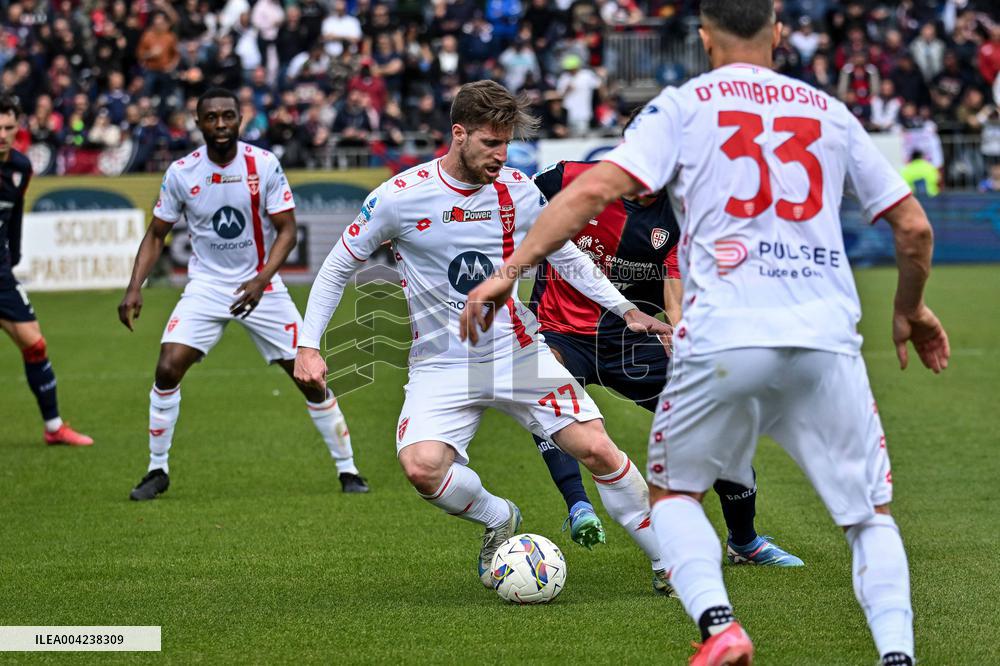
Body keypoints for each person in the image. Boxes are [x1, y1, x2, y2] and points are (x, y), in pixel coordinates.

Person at [460, 2, 950, 664]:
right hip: (824, 337)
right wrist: (911, 309)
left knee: (672, 494)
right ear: (778, 33)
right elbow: (914, 228)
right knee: (869, 517)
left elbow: (589, 191)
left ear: (703, 38)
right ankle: (897, 656)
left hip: (724, 336)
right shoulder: (828, 111)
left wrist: (506, 273)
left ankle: (721, 625)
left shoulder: (684, 106)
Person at [295, 80, 674, 593]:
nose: (502, 154)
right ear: (459, 134)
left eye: (508, 142)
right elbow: (339, 265)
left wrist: (627, 309)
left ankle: (668, 565)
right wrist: (309, 344)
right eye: (491, 143)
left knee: (598, 448)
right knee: (422, 469)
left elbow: (565, 255)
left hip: (519, 352)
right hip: (441, 364)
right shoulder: (400, 197)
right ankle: (500, 517)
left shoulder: (519, 189)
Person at [528, 157, 802, 567]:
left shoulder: (681, 211)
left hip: (633, 334)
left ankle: (744, 541)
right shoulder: (569, 177)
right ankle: (578, 505)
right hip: (558, 329)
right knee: (545, 386)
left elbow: (675, 294)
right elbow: (509, 202)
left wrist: (682, 336)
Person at [118, 88, 368, 501]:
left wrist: (261, 279)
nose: (220, 125)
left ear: (239, 119)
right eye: (211, 117)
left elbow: (286, 230)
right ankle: (156, 469)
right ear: (198, 123)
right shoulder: (182, 172)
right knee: (167, 368)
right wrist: (133, 288)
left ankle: (349, 470)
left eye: (227, 116)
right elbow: (157, 233)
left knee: (309, 376)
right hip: (207, 287)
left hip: (262, 284)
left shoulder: (263, 164)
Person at [0, 96, 93, 447]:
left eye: (9, 128)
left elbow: (14, 214)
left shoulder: (21, 167)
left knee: (35, 345)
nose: (3, 135)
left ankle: (53, 428)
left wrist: (16, 254)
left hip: (2, 276)